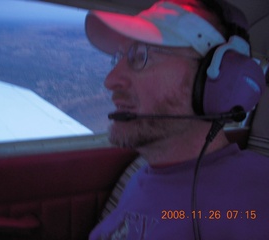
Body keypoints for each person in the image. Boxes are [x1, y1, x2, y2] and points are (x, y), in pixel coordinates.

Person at [85, 0, 269, 239]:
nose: (110, 80)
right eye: (118, 57)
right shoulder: (140, 175)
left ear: (219, 79)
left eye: (140, 56)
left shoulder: (257, 199)